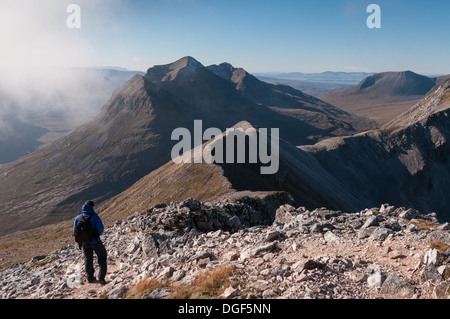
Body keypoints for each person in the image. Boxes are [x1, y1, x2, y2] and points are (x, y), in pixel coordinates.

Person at [73, 200, 107, 285]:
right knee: (102, 257)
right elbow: (100, 230)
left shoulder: (78, 218)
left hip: (84, 243)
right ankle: (101, 278)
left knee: (88, 259)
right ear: (92, 207)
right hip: (96, 241)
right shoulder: (95, 217)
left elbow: (74, 231)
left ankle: (90, 277)